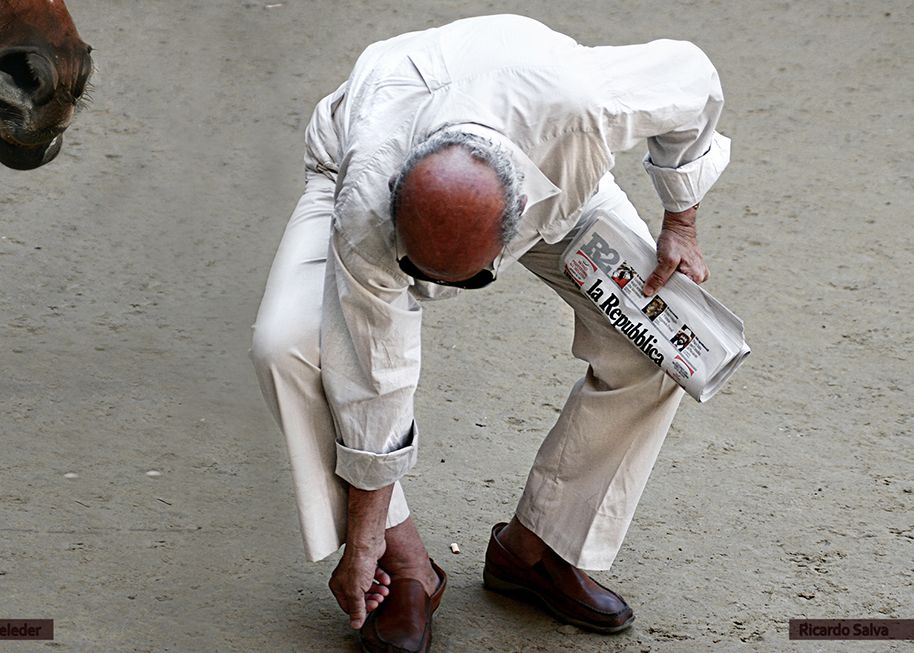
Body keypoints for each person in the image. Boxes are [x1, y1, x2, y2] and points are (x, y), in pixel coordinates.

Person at [251, 14, 730, 653]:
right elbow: (376, 372)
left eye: (466, 279)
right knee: (285, 345)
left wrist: (681, 220)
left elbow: (694, 80)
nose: (430, 290)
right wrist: (365, 533)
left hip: (551, 164)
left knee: (663, 343)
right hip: (349, 154)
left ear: (515, 232)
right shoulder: (368, 200)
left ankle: (536, 549)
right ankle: (405, 562)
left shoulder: (586, 106)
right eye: (417, 272)